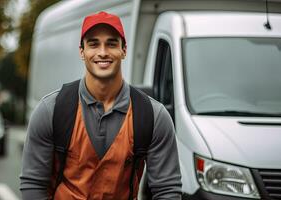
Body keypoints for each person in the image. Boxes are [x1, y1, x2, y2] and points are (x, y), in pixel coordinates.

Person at [20, 11, 182, 200]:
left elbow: (167, 191)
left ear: (124, 50)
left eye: (111, 44)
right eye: (93, 44)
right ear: (82, 51)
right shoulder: (51, 110)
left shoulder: (153, 116)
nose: (103, 52)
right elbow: (33, 184)